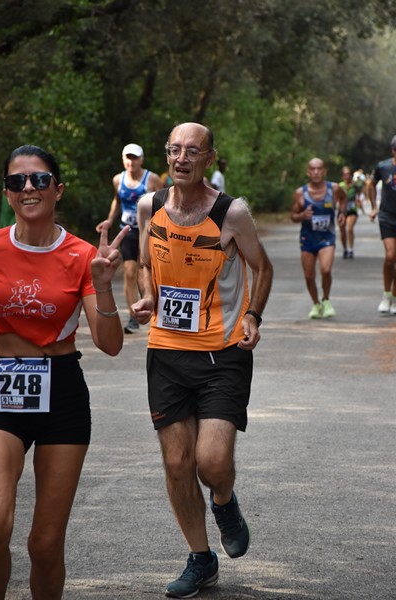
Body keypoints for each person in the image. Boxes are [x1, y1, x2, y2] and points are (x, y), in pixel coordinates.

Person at [131, 122, 273, 599]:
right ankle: (200, 558)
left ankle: (225, 501)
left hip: (223, 352)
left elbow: (262, 265)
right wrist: (147, 297)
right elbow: (147, 264)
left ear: (209, 158)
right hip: (167, 351)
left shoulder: (231, 213)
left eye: (193, 151)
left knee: (211, 460)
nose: (181, 158)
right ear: (166, 156)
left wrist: (253, 313)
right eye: (174, 150)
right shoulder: (149, 205)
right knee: (176, 463)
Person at [0, 144, 128, 600]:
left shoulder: (83, 255)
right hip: (1, 388)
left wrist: (106, 287)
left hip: (61, 393)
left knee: (45, 544)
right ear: (8, 194)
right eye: (17, 182)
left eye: (39, 180)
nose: (28, 188)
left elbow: (110, 345)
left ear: (58, 190)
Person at [96, 143, 163, 333]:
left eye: (135, 158)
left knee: (150, 271)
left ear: (141, 160)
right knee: (129, 272)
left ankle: (155, 309)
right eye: (128, 157)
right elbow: (117, 200)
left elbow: (165, 202)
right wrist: (109, 220)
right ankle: (134, 317)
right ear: (123, 159)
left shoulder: (153, 180)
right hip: (127, 232)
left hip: (148, 233)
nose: (131, 162)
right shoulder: (118, 180)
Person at [291, 157, 347, 319]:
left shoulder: (334, 189)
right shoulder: (300, 193)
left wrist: (341, 213)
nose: (316, 172)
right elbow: (293, 216)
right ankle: (316, 303)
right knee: (309, 275)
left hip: (326, 237)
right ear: (308, 172)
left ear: (324, 171)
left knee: (326, 269)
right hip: (308, 239)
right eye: (313, 169)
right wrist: (302, 215)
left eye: (319, 169)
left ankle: (326, 299)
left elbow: (343, 199)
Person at [368, 135, 396, 314]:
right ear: (393, 150)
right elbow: (371, 185)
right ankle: (387, 296)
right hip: (387, 216)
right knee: (390, 256)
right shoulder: (383, 166)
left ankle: (394, 297)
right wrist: (373, 207)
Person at [339, 165, 363, 259]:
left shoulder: (355, 185)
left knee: (349, 228)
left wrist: (358, 201)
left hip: (352, 209)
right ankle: (344, 249)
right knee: (342, 230)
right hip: (342, 210)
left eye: (348, 174)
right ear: (342, 176)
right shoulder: (340, 186)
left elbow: (359, 194)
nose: (347, 176)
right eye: (345, 174)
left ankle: (351, 249)